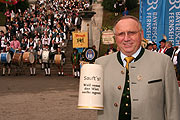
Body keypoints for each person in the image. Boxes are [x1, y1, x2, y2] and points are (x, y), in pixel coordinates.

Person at [95, 15, 180, 120]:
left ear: (141, 34)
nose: (126, 38)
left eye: (131, 33)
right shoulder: (100, 64)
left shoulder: (163, 62)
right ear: (115, 37)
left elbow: (173, 108)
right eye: (121, 34)